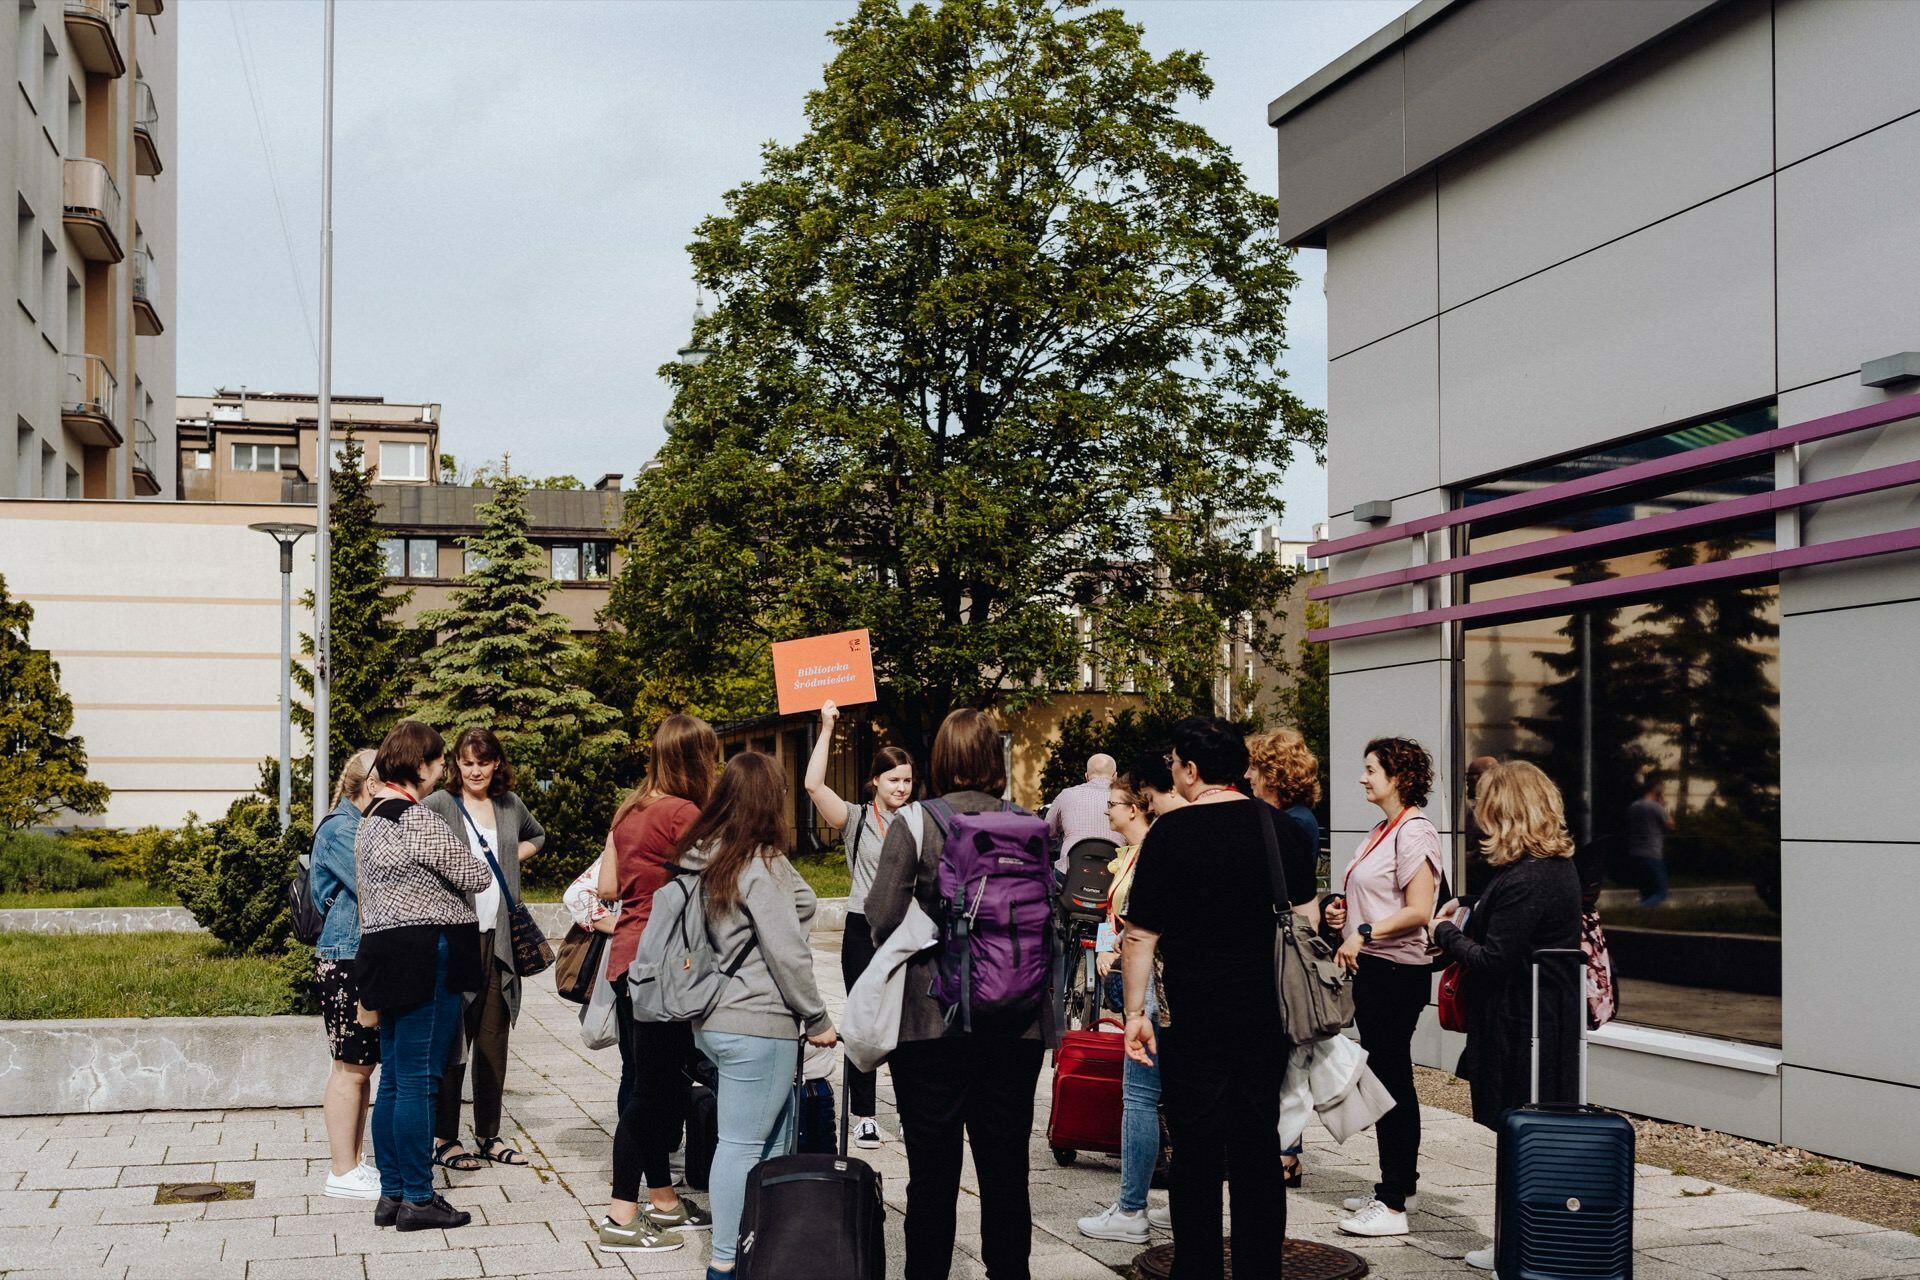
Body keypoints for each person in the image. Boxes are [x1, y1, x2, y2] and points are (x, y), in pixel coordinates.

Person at [1120, 716, 1318, 1280]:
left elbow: (1140, 934)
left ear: (1192, 768)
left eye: (1176, 763)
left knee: (1196, 1146)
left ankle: (1198, 1265)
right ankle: (1260, 1267)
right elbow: (1304, 920)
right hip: (1264, 1011)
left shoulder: (1172, 834)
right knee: (1258, 1142)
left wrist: (1135, 1014)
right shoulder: (1278, 828)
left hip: (1194, 1012)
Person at [867, 708, 1052, 1280]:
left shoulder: (917, 822)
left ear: (941, 760)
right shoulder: (1029, 823)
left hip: (931, 1022)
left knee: (933, 1170)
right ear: (994, 760)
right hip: (1017, 1019)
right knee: (1005, 1169)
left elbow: (880, 916)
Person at [661, 752, 837, 1277]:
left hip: (713, 1018)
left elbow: (797, 903)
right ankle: (725, 1265)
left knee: (769, 1142)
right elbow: (788, 951)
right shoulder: (758, 862)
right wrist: (817, 1017)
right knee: (741, 1146)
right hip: (757, 1021)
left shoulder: (705, 854)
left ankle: (763, 1250)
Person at [1432, 761, 1581, 1272]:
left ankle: (1522, 1248)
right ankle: (1519, 1242)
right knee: (1525, 1136)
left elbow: (1494, 960)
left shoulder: (1528, 878)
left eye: (1483, 803)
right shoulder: (1543, 870)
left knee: (1522, 1134)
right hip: (1534, 1022)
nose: (1476, 814)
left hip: (1523, 1027)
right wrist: (1472, 906)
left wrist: (1446, 933)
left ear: (1505, 809)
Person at [355, 720, 493, 1231]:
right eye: (438, 761)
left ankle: (391, 1193)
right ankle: (418, 1195)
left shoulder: (371, 818)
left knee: (393, 1076)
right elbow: (474, 874)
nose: (443, 770)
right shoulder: (415, 818)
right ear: (419, 766)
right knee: (417, 1078)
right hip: (425, 951)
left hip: (384, 951)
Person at [596, 714, 719, 1255]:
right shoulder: (684, 813)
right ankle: (621, 1215)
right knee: (651, 1095)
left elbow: (609, 886)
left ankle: (665, 1202)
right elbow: (719, 881)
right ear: (694, 759)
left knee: (656, 1085)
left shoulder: (633, 808)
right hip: (666, 968)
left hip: (628, 961)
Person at [1327, 736, 1445, 1238]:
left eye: (1371, 769)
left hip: (1398, 972)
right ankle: (1398, 1186)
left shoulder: (1415, 832)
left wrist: (1365, 931)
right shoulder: (1382, 829)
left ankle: (1394, 1203)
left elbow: (1419, 909)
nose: (1362, 777)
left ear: (1398, 777)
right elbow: (1375, 898)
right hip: (1376, 969)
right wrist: (1341, 911)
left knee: (1392, 1080)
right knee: (1384, 1073)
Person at [424, 727, 546, 1174]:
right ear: (456, 763)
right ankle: (445, 1137)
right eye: (467, 762)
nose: (475, 770)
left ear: (497, 763)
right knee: (454, 1039)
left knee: (494, 1040)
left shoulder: (510, 805)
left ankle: (489, 1135)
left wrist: (512, 858)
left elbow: (540, 835)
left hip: (500, 938)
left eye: (483, 762)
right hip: (456, 937)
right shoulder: (439, 805)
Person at [803, 698, 913, 1150]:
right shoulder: (857, 819)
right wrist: (827, 727)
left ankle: (911, 1109)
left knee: (908, 1024)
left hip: (906, 932)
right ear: (875, 781)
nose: (902, 788)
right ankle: (864, 1114)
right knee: (865, 1021)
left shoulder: (920, 820)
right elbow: (812, 785)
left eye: (908, 780)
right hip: (862, 930)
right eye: (894, 780)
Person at [1077, 771, 1171, 1245]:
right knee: (1170, 1097)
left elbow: (1141, 926)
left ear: (1135, 808)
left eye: (1113, 803)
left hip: (1150, 987)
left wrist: (1121, 956)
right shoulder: (1138, 853)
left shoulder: (1149, 854)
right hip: (1154, 980)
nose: (1106, 811)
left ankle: (1132, 1207)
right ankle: (1177, 1202)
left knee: (1139, 1096)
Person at [1245, 727, 1324, 1187]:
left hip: (1284, 952)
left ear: (1273, 772)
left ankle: (1286, 1153)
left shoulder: (1294, 822)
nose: (1249, 775)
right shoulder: (1294, 817)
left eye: (1255, 766)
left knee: (1291, 1058)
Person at [310, 747, 381, 1201]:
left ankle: (354, 1163)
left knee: (360, 1067)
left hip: (354, 956)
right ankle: (341, 1169)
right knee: (349, 1069)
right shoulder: (341, 829)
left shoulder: (355, 825)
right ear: (371, 784)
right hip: (344, 958)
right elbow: (373, 881)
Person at [1045, 752, 1118, 874]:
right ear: (1115, 776)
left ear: (1086, 776)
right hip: (1112, 877)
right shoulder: (1125, 801)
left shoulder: (1066, 795)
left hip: (1069, 877)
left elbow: (1047, 833)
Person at [1626, 775, 1674, 907]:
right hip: (1652, 853)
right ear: (1656, 788)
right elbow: (1671, 825)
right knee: (1661, 892)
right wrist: (1664, 806)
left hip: (1635, 852)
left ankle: (1643, 916)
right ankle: (1638, 910)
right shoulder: (1655, 807)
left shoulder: (1633, 806)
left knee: (1646, 892)